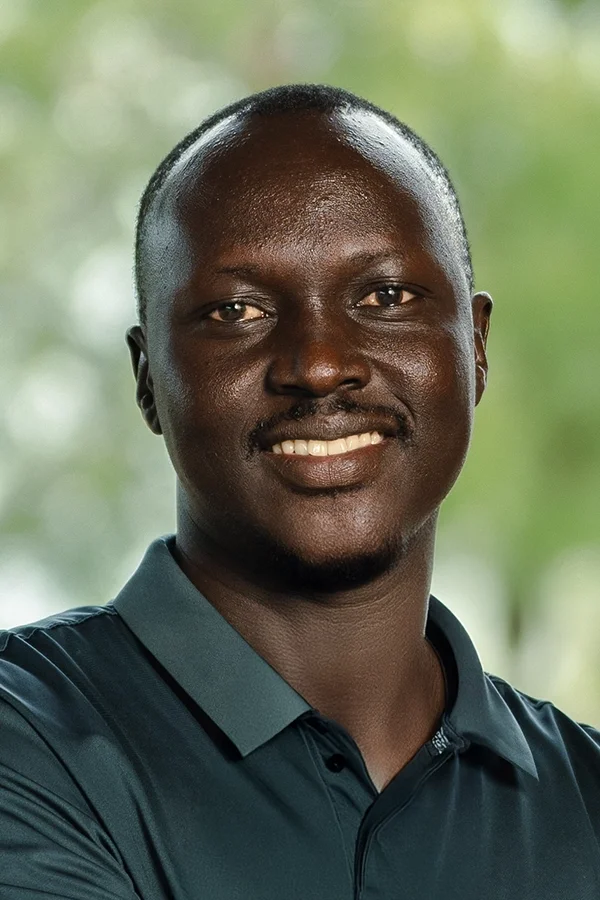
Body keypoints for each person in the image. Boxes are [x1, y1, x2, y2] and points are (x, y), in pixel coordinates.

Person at [1, 84, 598, 900]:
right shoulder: (23, 741)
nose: (319, 365)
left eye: (385, 297)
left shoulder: (588, 800)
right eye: (237, 311)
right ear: (147, 380)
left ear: (477, 347)